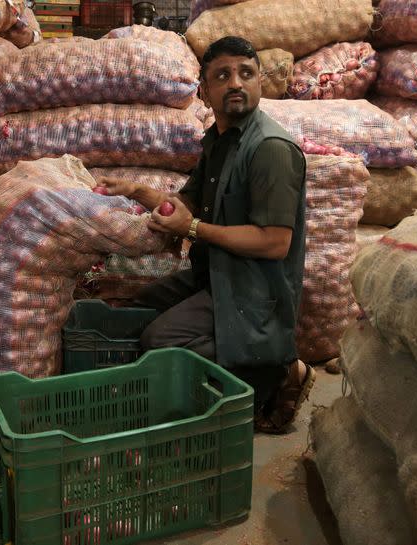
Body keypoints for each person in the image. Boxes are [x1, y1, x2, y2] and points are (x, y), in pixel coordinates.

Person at [99, 36, 313, 434]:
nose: (235, 83)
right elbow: (188, 204)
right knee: (142, 306)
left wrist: (192, 229)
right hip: (218, 271)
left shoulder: (270, 149)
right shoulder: (218, 142)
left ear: (260, 83)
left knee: (159, 341)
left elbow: (274, 242)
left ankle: (277, 369)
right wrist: (136, 192)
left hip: (255, 288)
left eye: (246, 73)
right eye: (223, 75)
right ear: (205, 90)